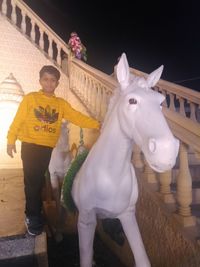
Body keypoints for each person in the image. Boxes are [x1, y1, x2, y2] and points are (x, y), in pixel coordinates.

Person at [7, 65, 100, 236]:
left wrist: (97, 124)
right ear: (40, 81)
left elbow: (77, 116)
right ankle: (32, 217)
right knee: (32, 181)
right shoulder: (31, 99)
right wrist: (10, 140)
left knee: (38, 182)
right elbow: (18, 120)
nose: (49, 83)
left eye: (52, 80)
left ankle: (35, 211)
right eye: (46, 79)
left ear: (57, 83)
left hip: (46, 148)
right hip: (30, 146)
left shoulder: (60, 104)